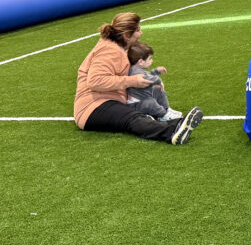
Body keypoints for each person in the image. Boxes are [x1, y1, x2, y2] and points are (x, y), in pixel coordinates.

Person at [74, 12, 203, 145]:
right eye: (138, 30)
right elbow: (95, 81)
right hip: (92, 108)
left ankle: (176, 123)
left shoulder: (117, 47)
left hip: (108, 102)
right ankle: (172, 133)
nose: (140, 33)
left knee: (144, 110)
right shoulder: (109, 51)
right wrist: (133, 81)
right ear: (126, 35)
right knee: (132, 119)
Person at [126, 42, 182, 121]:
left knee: (158, 89)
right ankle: (164, 115)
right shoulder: (135, 71)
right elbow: (148, 79)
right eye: (150, 59)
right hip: (136, 105)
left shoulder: (138, 69)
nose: (151, 61)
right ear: (141, 62)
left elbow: (148, 75)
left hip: (142, 99)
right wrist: (158, 80)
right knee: (150, 103)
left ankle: (166, 109)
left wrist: (156, 71)